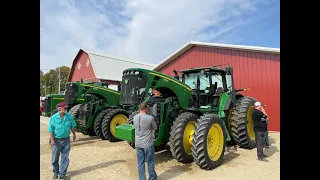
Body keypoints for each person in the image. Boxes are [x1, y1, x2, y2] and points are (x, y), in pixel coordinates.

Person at [48, 102, 77, 179]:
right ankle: (55, 172)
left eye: (66, 108)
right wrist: (52, 140)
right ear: (59, 109)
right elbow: (50, 130)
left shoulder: (69, 117)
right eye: (65, 108)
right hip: (56, 140)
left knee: (65, 157)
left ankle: (62, 174)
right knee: (55, 158)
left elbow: (72, 126)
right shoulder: (53, 118)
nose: (66, 109)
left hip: (66, 140)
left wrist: (74, 135)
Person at [133, 102, 158, 180]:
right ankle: (152, 178)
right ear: (146, 108)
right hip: (148, 145)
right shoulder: (150, 118)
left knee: (140, 163)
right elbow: (155, 127)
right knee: (150, 163)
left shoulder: (135, 117)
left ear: (140, 108)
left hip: (138, 144)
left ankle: (142, 178)